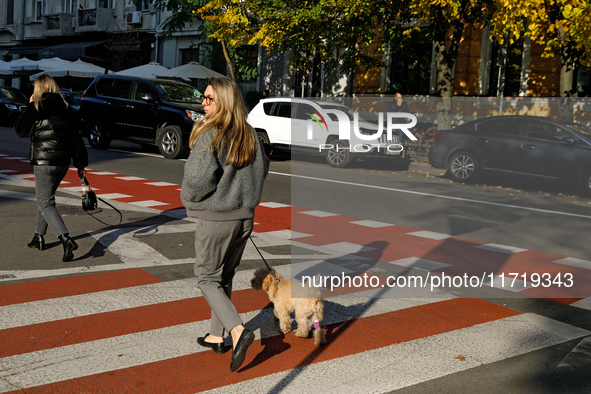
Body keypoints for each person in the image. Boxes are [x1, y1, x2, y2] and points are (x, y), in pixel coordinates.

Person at [181, 77, 269, 372]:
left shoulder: (212, 133)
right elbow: (263, 169)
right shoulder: (250, 134)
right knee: (224, 275)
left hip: (217, 218)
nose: (203, 103)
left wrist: (190, 200)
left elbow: (197, 180)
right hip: (245, 217)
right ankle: (217, 336)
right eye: (203, 98)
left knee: (206, 277)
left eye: (209, 98)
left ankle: (237, 330)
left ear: (224, 101)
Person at [14, 74, 88, 262]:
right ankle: (38, 237)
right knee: (44, 199)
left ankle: (65, 239)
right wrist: (80, 165)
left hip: (43, 163)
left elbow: (21, 131)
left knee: (46, 203)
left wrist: (29, 106)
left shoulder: (37, 107)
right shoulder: (67, 108)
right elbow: (76, 140)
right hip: (62, 163)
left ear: (39, 89)